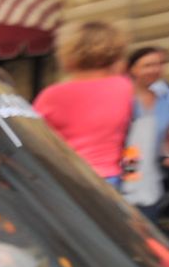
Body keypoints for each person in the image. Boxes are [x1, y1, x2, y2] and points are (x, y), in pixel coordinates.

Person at [33, 21, 133, 184]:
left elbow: (34, 139)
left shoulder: (52, 94)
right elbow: (137, 138)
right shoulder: (126, 88)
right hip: (110, 178)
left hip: (66, 178)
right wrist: (132, 176)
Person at [121, 45, 169, 218]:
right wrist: (131, 174)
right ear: (132, 69)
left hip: (153, 173)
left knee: (148, 224)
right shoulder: (121, 95)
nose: (156, 69)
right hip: (125, 170)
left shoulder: (167, 97)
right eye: (148, 65)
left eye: (160, 64)